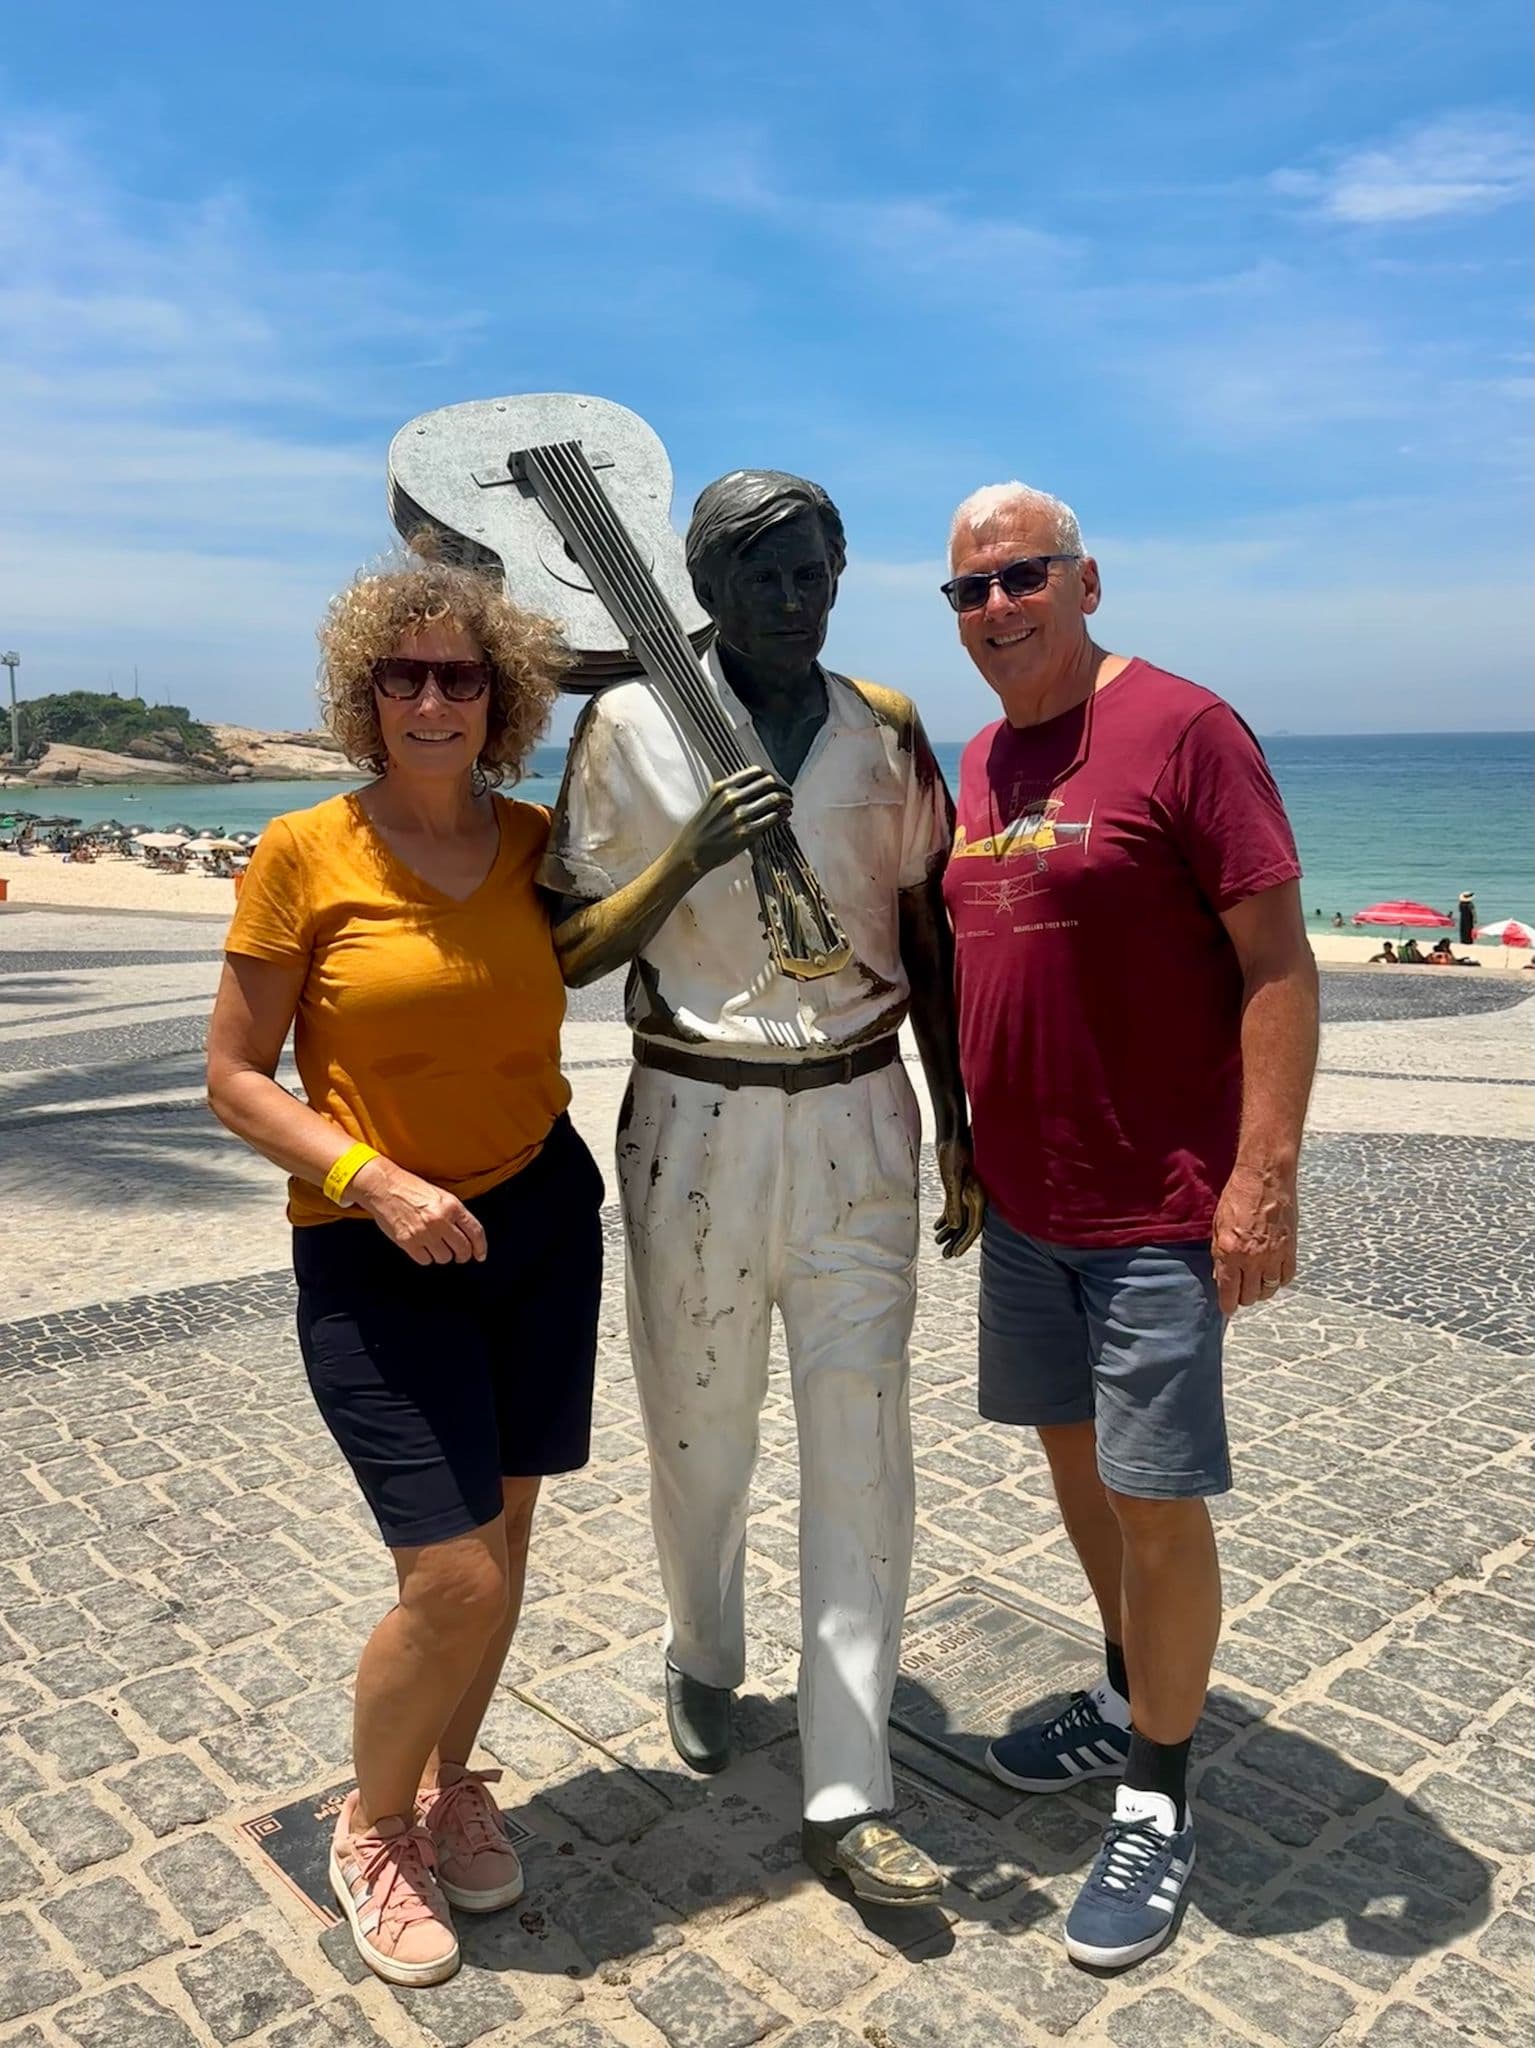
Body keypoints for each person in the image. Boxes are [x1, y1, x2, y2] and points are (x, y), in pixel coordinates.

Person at [543, 469, 983, 1907]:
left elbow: (924, 930)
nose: (797, 602)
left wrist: (960, 1127)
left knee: (863, 1453)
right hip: (695, 1124)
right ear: (708, 591)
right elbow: (567, 950)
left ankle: (850, 1786)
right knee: (701, 1437)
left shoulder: (883, 729)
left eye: (817, 575)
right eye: (768, 579)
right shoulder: (624, 728)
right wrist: (688, 856)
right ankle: (702, 1647)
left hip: (862, 1117)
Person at [207, 554, 604, 1989]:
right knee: (446, 1577)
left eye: (461, 676)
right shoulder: (304, 851)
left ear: (499, 702)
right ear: (366, 694)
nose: (432, 698)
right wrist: (370, 1181)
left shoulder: (535, 843)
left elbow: (644, 913)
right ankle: (374, 1828)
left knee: (503, 1555)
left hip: (543, 1226)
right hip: (377, 1251)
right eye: (404, 675)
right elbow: (235, 1080)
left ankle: (454, 1786)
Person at [941, 482, 1318, 1970]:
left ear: (1087, 581)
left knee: (1159, 1504)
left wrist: (1261, 1176)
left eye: (1021, 578)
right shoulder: (981, 759)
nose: (995, 610)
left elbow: (1281, 965)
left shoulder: (1186, 727)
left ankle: (1159, 1792)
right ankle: (1122, 1695)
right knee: (1080, 1472)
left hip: (1158, 1208)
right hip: (1028, 1210)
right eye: (966, 592)